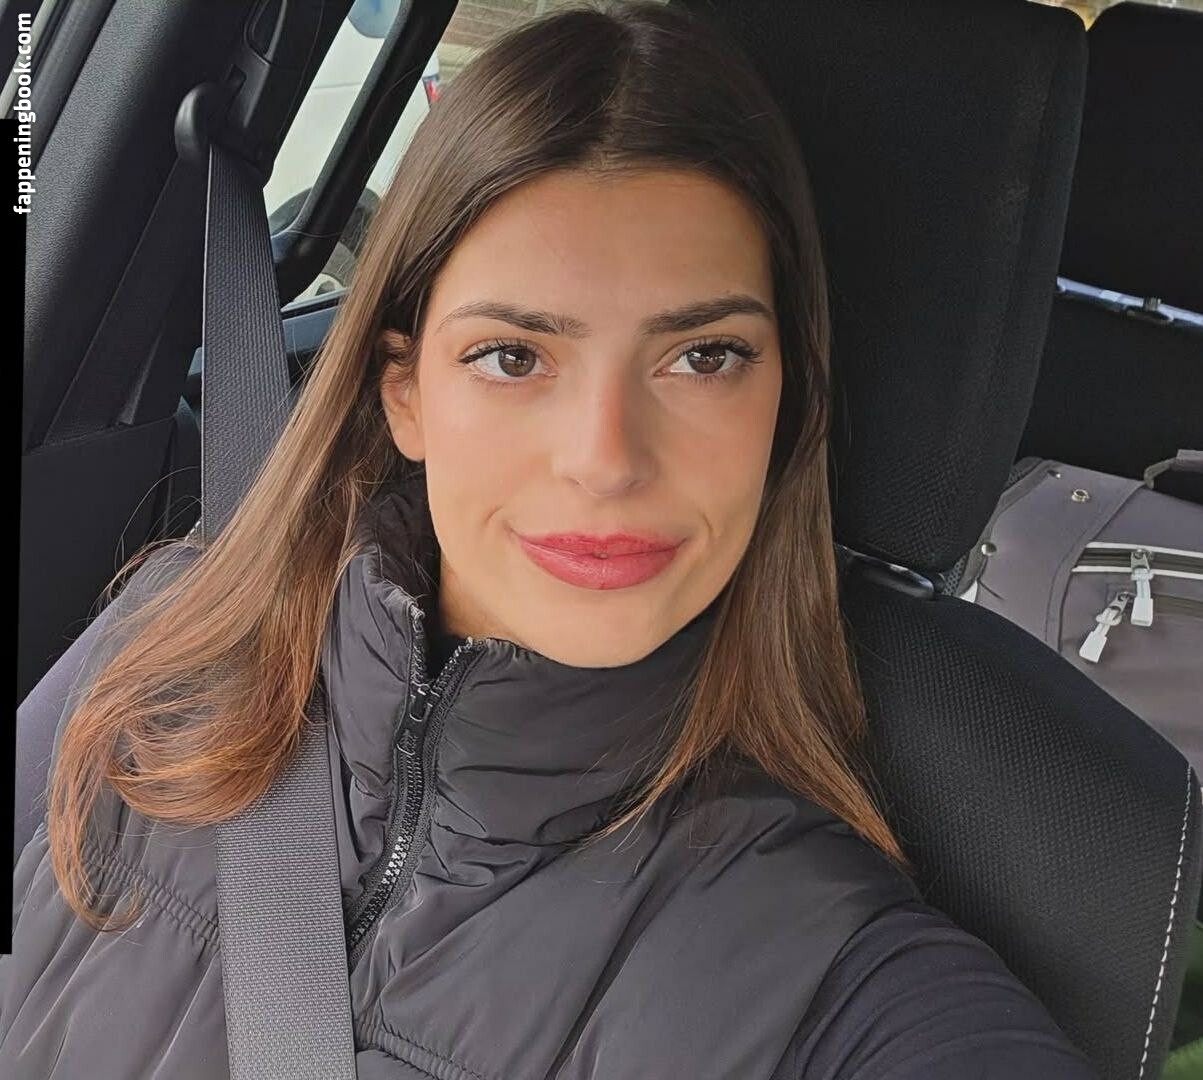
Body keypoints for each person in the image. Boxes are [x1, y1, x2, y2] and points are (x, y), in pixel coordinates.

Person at [2, 3, 1101, 1077]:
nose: (605, 458)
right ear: (404, 392)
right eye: (513, 357)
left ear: (785, 404)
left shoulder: (836, 983)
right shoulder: (174, 636)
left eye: (704, 357)